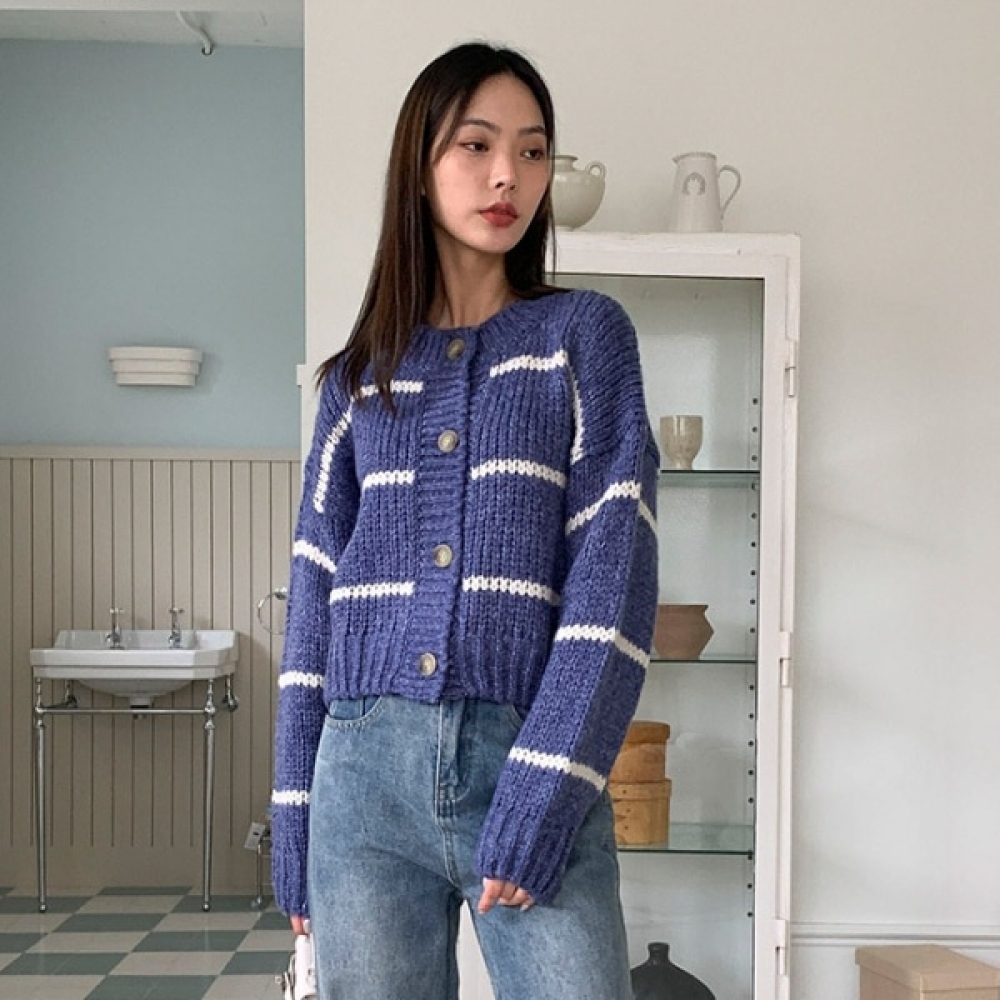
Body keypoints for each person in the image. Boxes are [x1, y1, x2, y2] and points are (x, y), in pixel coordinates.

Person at [271, 40, 660, 1000]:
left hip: (526, 751)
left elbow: (614, 577)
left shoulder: (583, 338)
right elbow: (313, 597)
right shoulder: (356, 380)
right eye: (476, 145)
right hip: (362, 779)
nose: (507, 176)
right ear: (420, 164)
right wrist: (294, 811)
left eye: (533, 151)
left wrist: (548, 781)